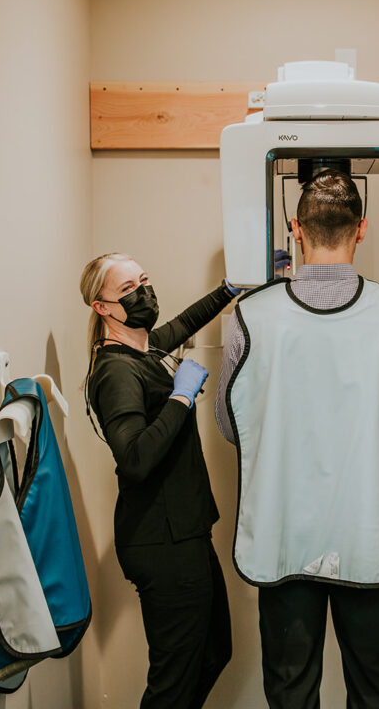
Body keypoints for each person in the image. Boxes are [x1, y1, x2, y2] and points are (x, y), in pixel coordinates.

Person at [215, 170, 379, 709]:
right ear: (361, 230)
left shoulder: (250, 317)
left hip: (283, 537)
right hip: (366, 535)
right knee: (376, 694)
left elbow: (228, 424)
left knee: (291, 695)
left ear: (295, 228)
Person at [80, 253, 235, 709]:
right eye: (127, 288)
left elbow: (185, 321)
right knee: (172, 681)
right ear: (101, 307)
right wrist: (182, 397)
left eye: (144, 280)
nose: (143, 292)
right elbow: (134, 459)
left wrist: (231, 287)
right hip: (162, 542)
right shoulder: (115, 371)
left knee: (213, 653)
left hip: (184, 531)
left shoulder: (143, 350)